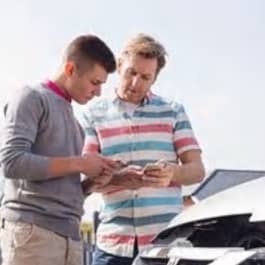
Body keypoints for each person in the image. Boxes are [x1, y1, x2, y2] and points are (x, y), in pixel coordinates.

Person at [78, 33, 205, 265]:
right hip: (112, 246)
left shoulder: (173, 111)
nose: (136, 83)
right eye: (131, 73)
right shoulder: (93, 115)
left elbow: (197, 170)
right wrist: (118, 179)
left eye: (145, 77)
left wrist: (172, 174)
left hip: (164, 244)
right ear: (118, 66)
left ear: (155, 79)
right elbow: (88, 179)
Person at [0, 34, 118, 265]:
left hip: (71, 238)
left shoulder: (77, 126)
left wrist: (92, 184)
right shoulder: (31, 98)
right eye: (95, 82)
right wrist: (81, 163)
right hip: (34, 235)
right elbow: (11, 162)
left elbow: (60, 187)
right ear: (71, 68)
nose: (98, 92)